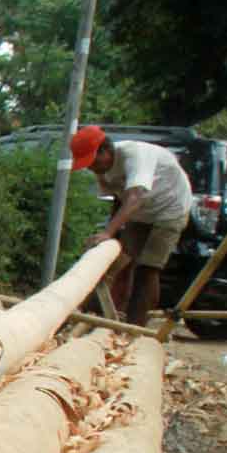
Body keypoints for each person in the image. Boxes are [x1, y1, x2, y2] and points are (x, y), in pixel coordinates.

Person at [71, 125, 193, 326]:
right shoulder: (102, 168)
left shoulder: (135, 156)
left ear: (105, 150)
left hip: (169, 210)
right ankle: (101, 318)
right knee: (121, 262)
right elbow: (119, 199)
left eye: (92, 161)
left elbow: (135, 196)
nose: (89, 167)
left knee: (147, 269)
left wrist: (108, 232)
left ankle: (136, 326)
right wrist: (110, 233)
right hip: (140, 211)